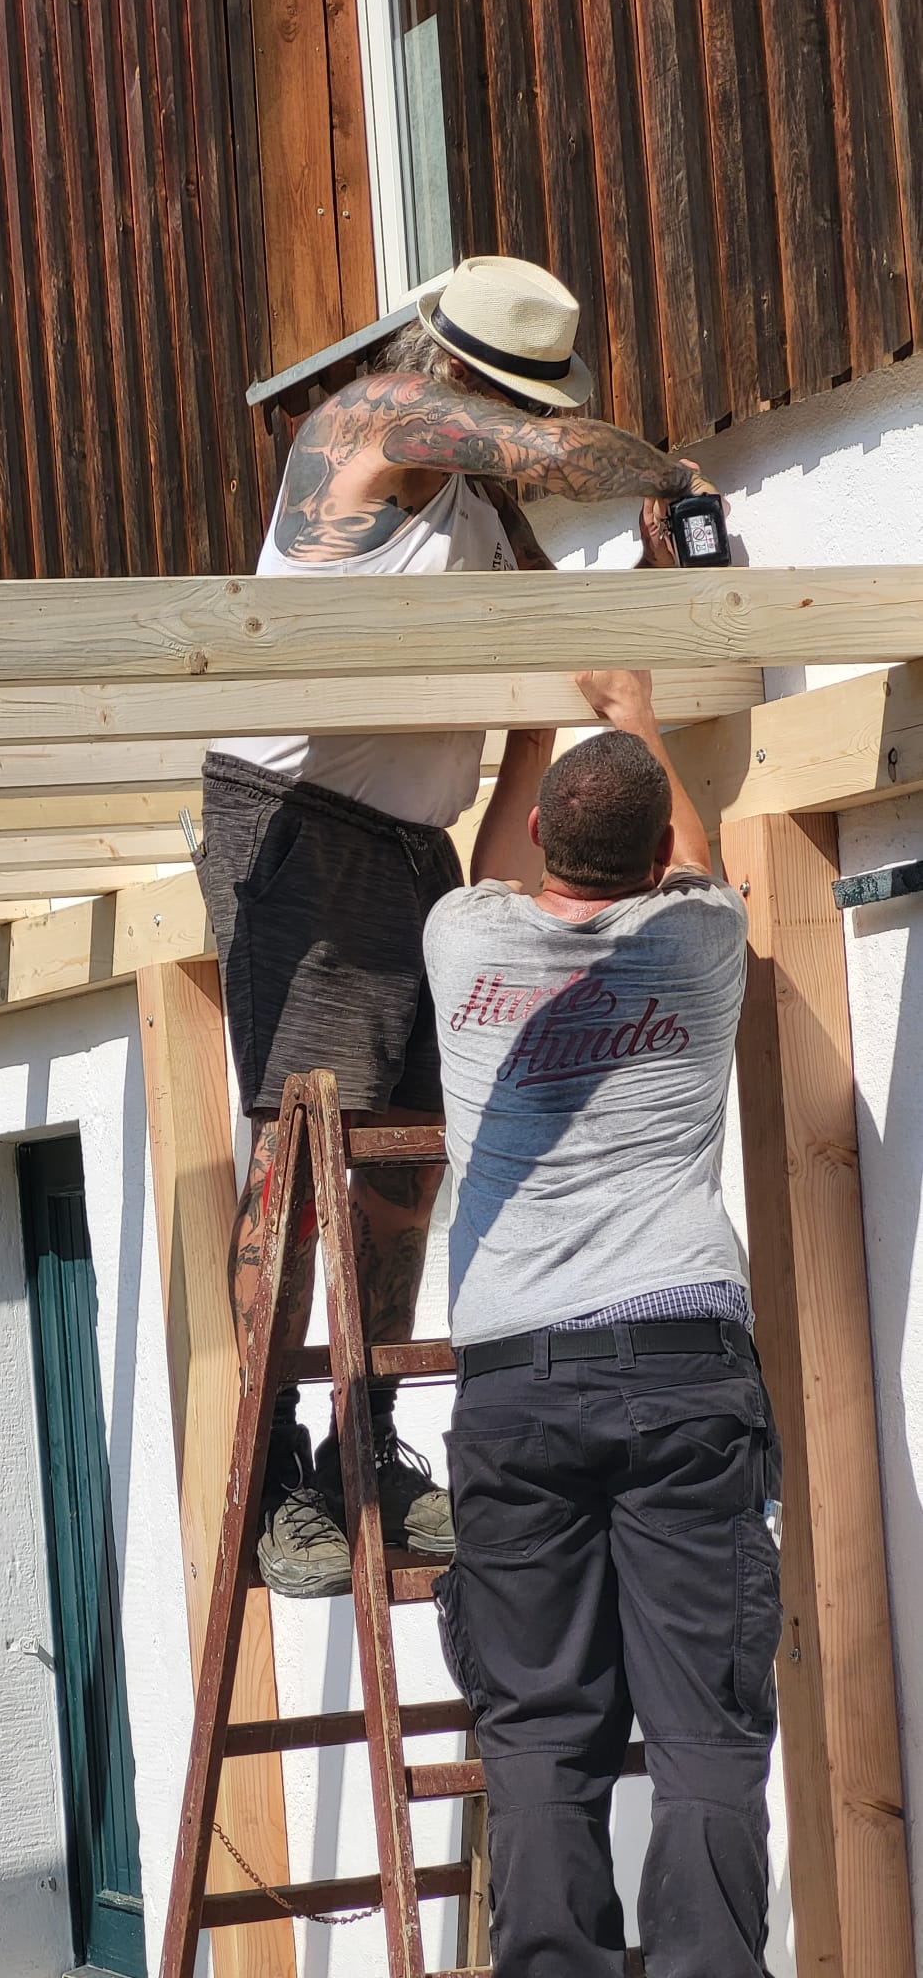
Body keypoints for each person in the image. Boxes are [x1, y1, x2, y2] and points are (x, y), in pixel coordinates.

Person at [199, 252, 722, 1597]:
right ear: (447, 368)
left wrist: (648, 616)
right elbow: (547, 451)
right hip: (296, 823)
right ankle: (269, 1485)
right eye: (500, 395)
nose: (508, 424)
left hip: (408, 838)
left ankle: (363, 1456)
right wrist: (670, 485)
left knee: (407, 1166)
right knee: (295, 1159)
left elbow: (556, 615)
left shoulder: (480, 499)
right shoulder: (366, 420)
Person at [421, 667, 781, 1978]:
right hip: (684, 1372)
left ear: (532, 845)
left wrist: (533, 711)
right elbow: (696, 848)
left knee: (538, 1735)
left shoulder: (464, 941)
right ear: (653, 857)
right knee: (702, 1734)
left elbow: (502, 846)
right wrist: (633, 705)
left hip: (516, 1385)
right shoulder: (700, 944)